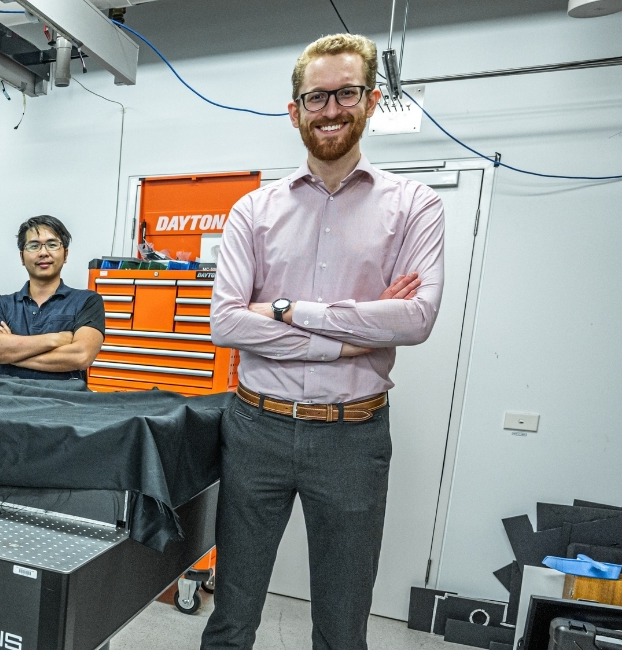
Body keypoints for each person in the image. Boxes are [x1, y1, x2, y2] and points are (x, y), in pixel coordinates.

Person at [205, 34, 445, 650]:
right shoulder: (252, 211)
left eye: (346, 93)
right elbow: (227, 324)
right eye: (317, 97)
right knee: (232, 615)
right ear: (295, 109)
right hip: (254, 428)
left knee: (342, 626)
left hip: (353, 435)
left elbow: (414, 320)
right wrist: (345, 339)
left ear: (370, 100)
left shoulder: (415, 206)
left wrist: (286, 310)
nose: (331, 109)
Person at [0, 215, 104, 380]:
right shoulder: (2, 305)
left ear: (65, 254)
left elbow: (81, 356)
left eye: (52, 245)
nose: (44, 253)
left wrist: (9, 353)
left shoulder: (87, 301)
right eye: (34, 246)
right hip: (11, 400)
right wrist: (56, 339)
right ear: (22, 256)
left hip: (64, 401)